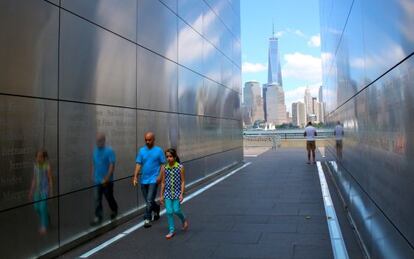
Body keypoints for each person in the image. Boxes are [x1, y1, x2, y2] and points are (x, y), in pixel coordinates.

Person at [133, 132, 166, 228]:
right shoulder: (142, 151)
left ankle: (147, 219)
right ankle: (156, 208)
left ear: (153, 139)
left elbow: (163, 165)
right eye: (146, 140)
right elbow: (138, 164)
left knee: (149, 199)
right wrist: (135, 176)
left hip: (154, 179)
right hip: (144, 180)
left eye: (149, 140)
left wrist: (160, 176)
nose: (147, 142)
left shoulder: (159, 151)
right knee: (149, 201)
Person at [159, 148, 188, 239]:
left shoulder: (180, 167)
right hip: (167, 193)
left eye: (171, 156)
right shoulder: (164, 168)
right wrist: (161, 195)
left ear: (175, 157)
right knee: (169, 212)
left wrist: (181, 194)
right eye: (167, 157)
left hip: (177, 193)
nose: (169, 158)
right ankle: (171, 230)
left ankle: (184, 219)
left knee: (176, 210)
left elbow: (183, 181)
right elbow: (163, 182)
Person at [91, 133, 118, 225]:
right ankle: (98, 217)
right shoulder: (95, 151)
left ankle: (114, 210)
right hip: (97, 180)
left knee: (109, 197)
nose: (98, 142)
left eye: (99, 140)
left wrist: (106, 178)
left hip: (108, 181)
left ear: (103, 141)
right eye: (97, 140)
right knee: (97, 199)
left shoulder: (109, 151)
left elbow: (112, 165)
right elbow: (95, 164)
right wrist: (93, 175)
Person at [29, 149, 53, 234]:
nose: (38, 158)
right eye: (37, 157)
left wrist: (51, 191)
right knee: (36, 208)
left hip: (44, 190)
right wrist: (31, 190)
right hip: (37, 191)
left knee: (42, 207)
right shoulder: (35, 166)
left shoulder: (47, 166)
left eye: (40, 157)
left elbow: (50, 179)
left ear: (44, 158)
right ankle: (47, 218)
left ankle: (44, 226)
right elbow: (34, 179)